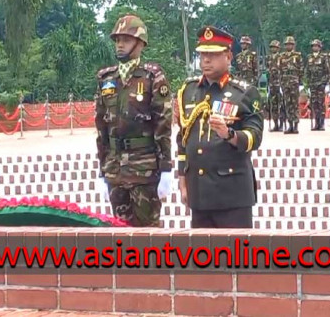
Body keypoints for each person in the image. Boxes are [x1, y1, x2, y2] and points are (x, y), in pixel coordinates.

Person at [175, 26, 264, 228]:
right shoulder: (189, 91)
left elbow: (255, 137)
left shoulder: (244, 93)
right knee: (202, 258)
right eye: (203, 54)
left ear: (228, 56)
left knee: (235, 258)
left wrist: (229, 134)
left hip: (231, 195)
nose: (206, 60)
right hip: (199, 194)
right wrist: (182, 180)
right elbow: (183, 140)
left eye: (213, 54)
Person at [94, 14, 174, 227]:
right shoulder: (106, 79)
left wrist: (166, 168)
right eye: (117, 40)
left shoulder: (152, 77)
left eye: (126, 40)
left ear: (140, 44)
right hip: (115, 169)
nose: (120, 45)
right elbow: (101, 128)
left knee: (149, 237)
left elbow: (163, 124)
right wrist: (102, 171)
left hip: (144, 169)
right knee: (120, 235)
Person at [279, 36, 304, 134]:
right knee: (287, 104)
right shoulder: (282, 56)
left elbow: (301, 69)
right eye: (287, 44)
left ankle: (296, 125)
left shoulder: (297, 56)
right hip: (285, 82)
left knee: (294, 104)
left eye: (290, 44)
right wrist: (281, 81)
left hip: (294, 82)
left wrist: (300, 81)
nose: (288, 46)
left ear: (293, 45)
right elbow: (280, 70)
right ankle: (290, 124)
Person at [305, 39, 329, 130]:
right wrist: (307, 81)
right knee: (314, 104)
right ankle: (316, 122)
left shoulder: (323, 57)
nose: (315, 47)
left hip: (320, 84)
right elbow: (307, 70)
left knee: (321, 103)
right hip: (312, 84)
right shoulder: (309, 57)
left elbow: (327, 71)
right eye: (313, 46)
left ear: (319, 47)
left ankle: (322, 123)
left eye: (316, 46)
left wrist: (324, 82)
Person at [266, 40, 285, 132]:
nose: (273, 48)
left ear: (278, 48)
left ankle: (281, 124)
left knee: (281, 104)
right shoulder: (268, 58)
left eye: (275, 47)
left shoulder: (282, 57)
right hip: (272, 84)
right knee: (273, 105)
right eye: (272, 47)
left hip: (280, 83)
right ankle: (275, 124)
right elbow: (267, 71)